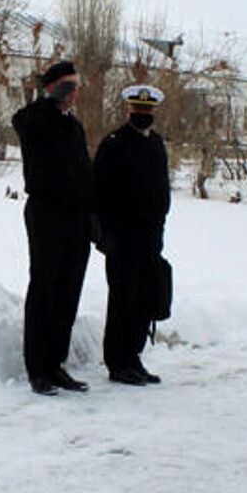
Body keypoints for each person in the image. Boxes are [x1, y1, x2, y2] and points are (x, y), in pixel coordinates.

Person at [11, 61, 96, 395]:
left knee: (68, 290)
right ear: (53, 87)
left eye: (75, 86)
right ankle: (38, 368)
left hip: (76, 217)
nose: (74, 92)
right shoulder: (37, 120)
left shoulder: (73, 127)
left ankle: (56, 363)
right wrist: (49, 98)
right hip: (47, 213)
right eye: (68, 86)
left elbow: (84, 172)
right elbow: (22, 121)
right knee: (45, 288)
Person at [93, 84, 170, 386]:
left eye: (147, 111)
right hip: (122, 238)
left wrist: (160, 228)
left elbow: (161, 191)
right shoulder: (114, 144)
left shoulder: (156, 144)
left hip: (150, 237)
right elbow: (99, 193)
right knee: (122, 300)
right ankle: (117, 361)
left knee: (143, 299)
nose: (143, 115)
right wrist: (106, 236)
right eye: (138, 111)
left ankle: (133, 357)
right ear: (128, 111)